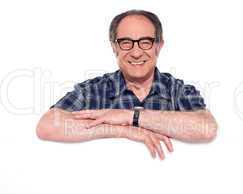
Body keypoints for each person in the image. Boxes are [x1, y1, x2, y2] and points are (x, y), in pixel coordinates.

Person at [36, 9, 218, 160]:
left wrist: (131, 116)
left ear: (159, 46)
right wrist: (122, 131)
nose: (136, 52)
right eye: (126, 43)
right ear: (114, 47)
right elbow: (47, 125)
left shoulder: (179, 91)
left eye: (145, 42)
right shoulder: (92, 91)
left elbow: (206, 128)